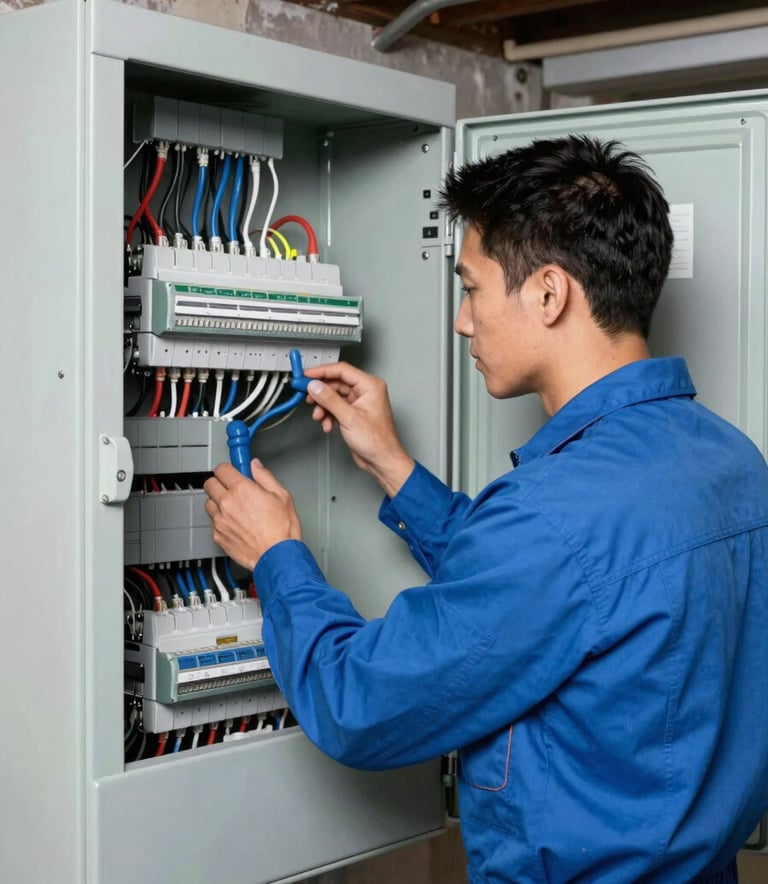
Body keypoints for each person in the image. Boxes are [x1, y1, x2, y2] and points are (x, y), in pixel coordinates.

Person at [203, 135, 768, 883]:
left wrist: (277, 556)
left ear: (548, 292)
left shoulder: (551, 515)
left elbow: (359, 701)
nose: (463, 322)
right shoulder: (732, 460)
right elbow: (568, 591)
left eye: (470, 288)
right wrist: (396, 469)